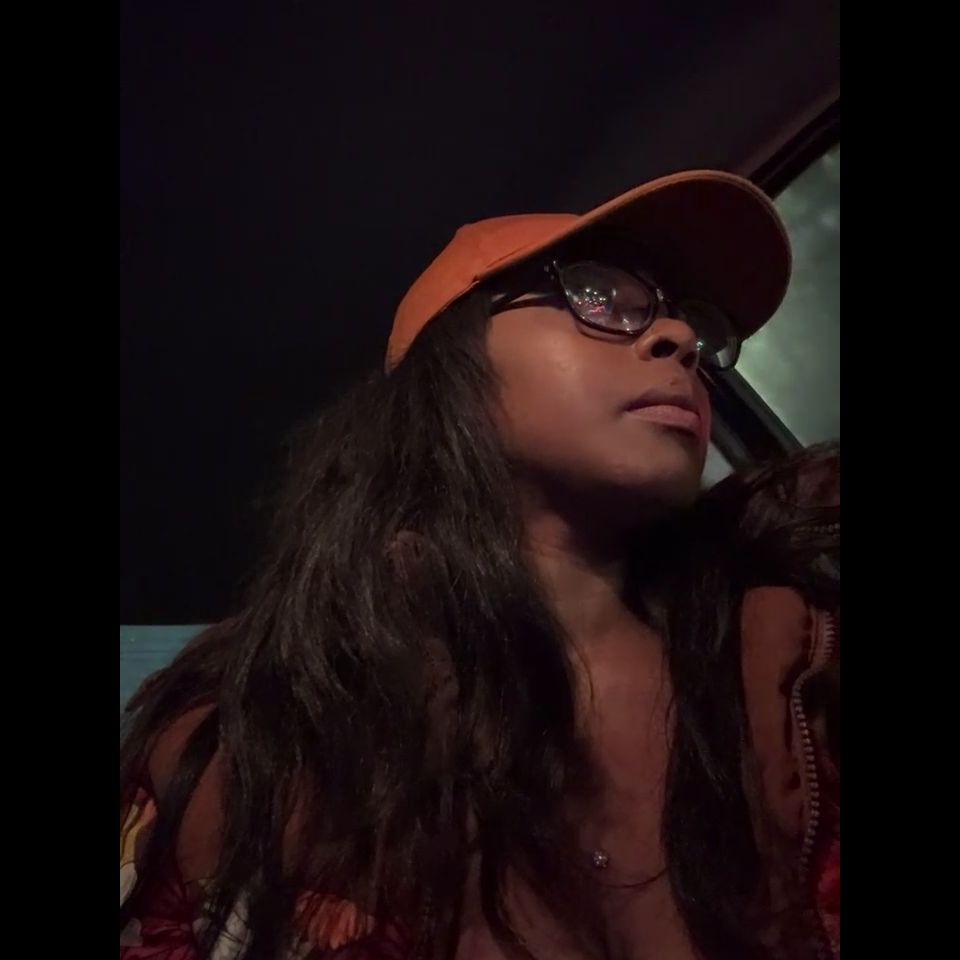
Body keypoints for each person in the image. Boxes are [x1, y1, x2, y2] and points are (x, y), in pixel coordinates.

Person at [120, 170, 840, 960]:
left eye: (692, 323)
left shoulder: (797, 654)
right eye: (599, 295)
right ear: (450, 373)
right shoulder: (259, 723)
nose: (677, 338)